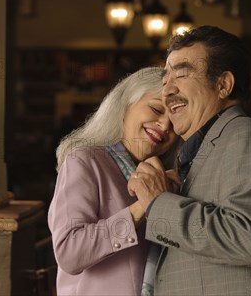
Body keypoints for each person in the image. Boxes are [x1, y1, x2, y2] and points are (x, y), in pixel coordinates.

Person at [128, 26, 251, 295]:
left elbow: (247, 238)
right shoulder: (201, 149)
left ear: (223, 85)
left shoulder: (246, 136)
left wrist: (157, 203)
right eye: (165, 80)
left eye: (181, 74)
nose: (168, 90)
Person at [48, 67, 181, 296]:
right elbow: (69, 253)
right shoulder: (84, 160)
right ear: (125, 104)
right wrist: (144, 205)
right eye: (156, 109)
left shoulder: (167, 179)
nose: (165, 125)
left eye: (175, 122)